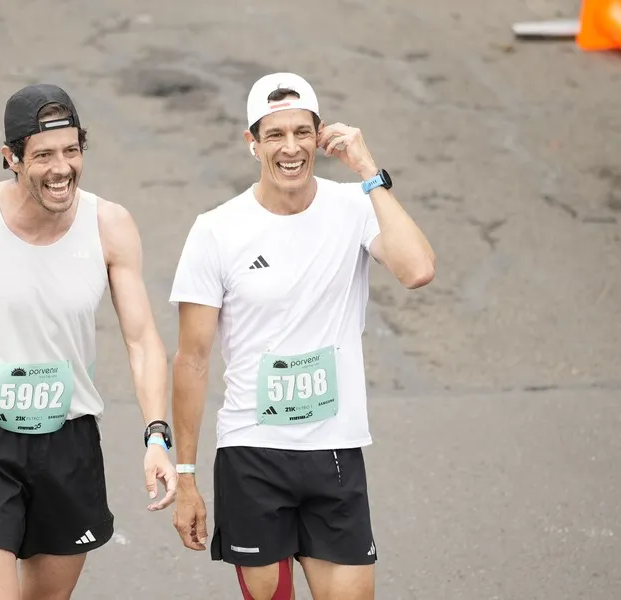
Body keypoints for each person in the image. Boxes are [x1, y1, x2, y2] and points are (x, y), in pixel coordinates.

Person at [0, 83, 177, 600]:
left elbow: (141, 340)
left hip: (70, 441)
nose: (61, 168)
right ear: (12, 158)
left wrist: (156, 435)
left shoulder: (109, 225)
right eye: (44, 155)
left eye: (71, 150)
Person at [168, 72, 435, 600]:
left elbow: (418, 269)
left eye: (301, 132)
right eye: (274, 134)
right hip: (253, 452)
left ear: (319, 136)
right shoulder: (216, 230)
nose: (290, 148)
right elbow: (192, 360)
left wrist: (368, 171)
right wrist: (186, 476)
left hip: (334, 449)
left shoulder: (355, 205)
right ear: (252, 142)